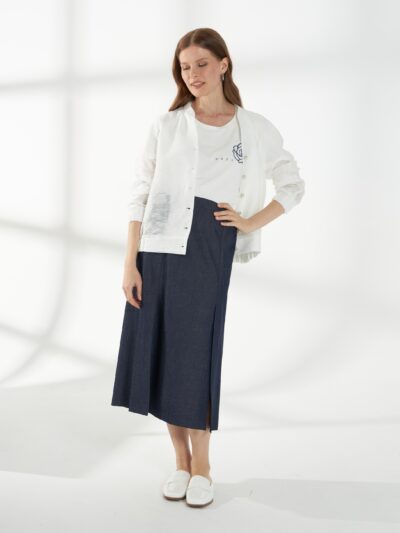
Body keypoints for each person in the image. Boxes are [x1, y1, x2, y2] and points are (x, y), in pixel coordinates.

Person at [111, 27, 305, 508]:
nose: (193, 75)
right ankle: (180, 462)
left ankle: (203, 466)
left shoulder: (252, 128)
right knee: (161, 350)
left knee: (195, 353)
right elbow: (140, 192)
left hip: (209, 244)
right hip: (158, 244)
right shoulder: (167, 124)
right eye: (184, 67)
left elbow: (292, 184)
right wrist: (130, 261)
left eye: (201, 64)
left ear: (223, 64)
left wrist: (250, 221)